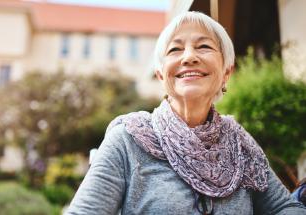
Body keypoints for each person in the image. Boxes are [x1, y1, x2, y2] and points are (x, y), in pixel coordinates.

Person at [64, 11, 306, 214]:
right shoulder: (128, 140)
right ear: (161, 75)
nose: (189, 57)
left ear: (226, 72)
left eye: (203, 46)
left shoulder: (241, 146)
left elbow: (285, 208)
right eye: (175, 50)